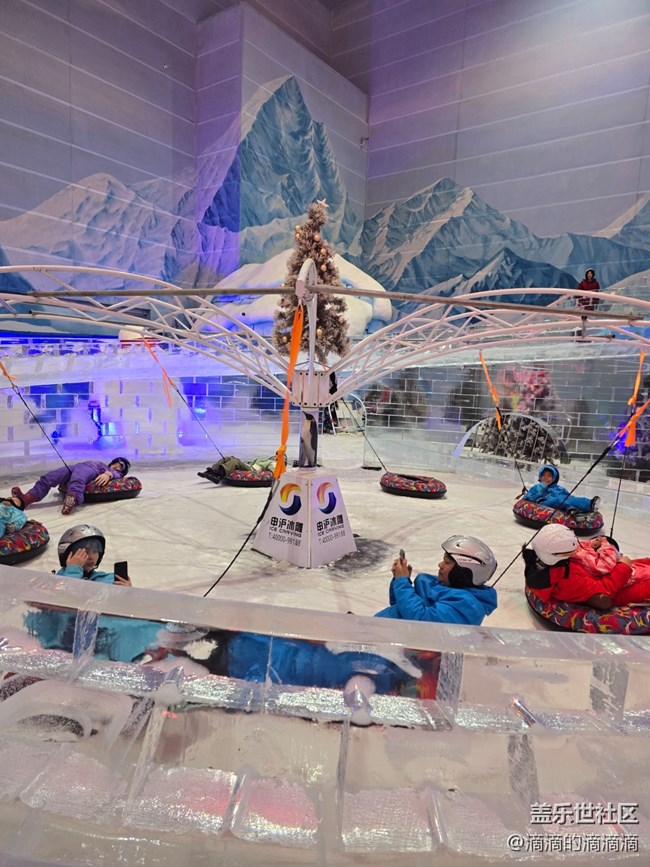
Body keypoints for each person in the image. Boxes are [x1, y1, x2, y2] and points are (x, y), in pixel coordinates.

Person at [25, 524, 161, 662]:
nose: (91, 556)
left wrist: (128, 595)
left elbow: (102, 604)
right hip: (60, 646)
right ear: (68, 553)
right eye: (84, 551)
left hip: (100, 644)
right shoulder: (55, 580)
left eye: (96, 551)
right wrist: (73, 571)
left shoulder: (107, 579)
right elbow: (62, 601)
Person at [374, 535, 498, 625]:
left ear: (463, 572)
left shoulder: (467, 605)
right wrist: (402, 580)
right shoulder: (441, 586)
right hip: (379, 635)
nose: (440, 565)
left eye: (447, 562)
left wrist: (401, 583)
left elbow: (421, 621)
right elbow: (401, 606)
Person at [523, 524, 650, 610]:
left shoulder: (553, 559)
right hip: (620, 587)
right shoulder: (567, 578)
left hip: (611, 572)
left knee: (644, 564)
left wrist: (594, 545)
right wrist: (624, 567)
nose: (576, 550)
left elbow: (581, 552)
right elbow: (603, 589)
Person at [12, 457, 131, 515]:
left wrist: (108, 474)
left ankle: (73, 498)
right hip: (75, 466)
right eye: (117, 463)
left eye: (121, 467)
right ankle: (28, 498)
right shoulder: (103, 464)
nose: (117, 466)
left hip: (89, 470)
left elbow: (117, 474)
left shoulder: (111, 472)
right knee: (50, 477)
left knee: (78, 479)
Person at [523, 464, 599, 514]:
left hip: (559, 503)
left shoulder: (558, 488)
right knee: (558, 499)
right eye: (543, 475)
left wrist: (568, 498)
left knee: (569, 499)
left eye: (549, 476)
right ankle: (588, 505)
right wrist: (541, 488)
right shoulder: (537, 487)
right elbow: (528, 497)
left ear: (553, 478)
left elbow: (567, 496)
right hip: (544, 503)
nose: (546, 478)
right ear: (540, 476)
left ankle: (586, 505)